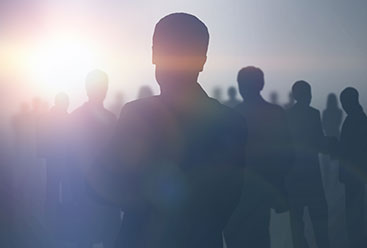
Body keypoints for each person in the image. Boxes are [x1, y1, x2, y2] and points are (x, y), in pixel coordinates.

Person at [89, 13, 247, 248]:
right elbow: (229, 198)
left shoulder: (135, 115)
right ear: (202, 60)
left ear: (154, 54)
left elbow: (103, 183)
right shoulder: (229, 121)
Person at [224, 67, 294, 248]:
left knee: (236, 237)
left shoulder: (233, 115)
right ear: (261, 84)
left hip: (238, 190)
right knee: (260, 235)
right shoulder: (275, 113)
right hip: (264, 186)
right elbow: (287, 154)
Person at [69, 70, 121, 248]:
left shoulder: (75, 118)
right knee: (105, 236)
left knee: (86, 237)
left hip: (86, 188)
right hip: (102, 189)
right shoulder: (111, 119)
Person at [286, 81, 330, 248]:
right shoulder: (313, 114)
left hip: (294, 177)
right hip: (312, 176)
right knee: (320, 223)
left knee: (297, 226)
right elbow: (319, 143)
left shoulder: (287, 116)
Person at [338, 87, 367, 248]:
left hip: (353, 173)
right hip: (357, 172)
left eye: (344, 102)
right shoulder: (360, 118)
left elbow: (350, 148)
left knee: (353, 210)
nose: (343, 106)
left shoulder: (354, 120)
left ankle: (356, 241)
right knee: (355, 209)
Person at [39, 93, 70, 223]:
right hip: (62, 157)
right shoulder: (67, 118)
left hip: (53, 157)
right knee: (63, 187)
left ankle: (50, 216)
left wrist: (43, 153)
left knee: (52, 186)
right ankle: (59, 216)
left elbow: (42, 137)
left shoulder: (47, 118)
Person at [321, 93, 343, 187]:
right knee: (336, 161)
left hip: (327, 136)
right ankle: (335, 181)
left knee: (326, 161)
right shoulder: (339, 111)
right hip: (336, 136)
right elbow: (338, 123)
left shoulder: (325, 112)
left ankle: (327, 181)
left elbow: (323, 124)